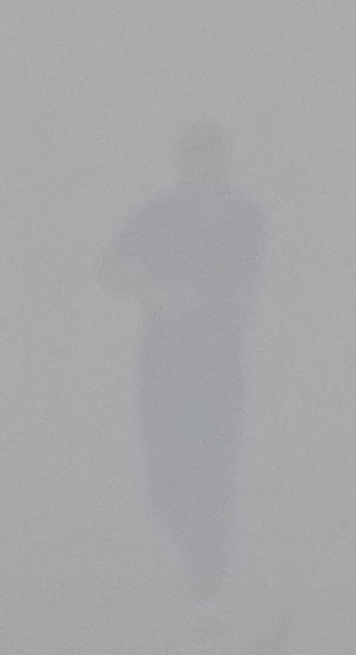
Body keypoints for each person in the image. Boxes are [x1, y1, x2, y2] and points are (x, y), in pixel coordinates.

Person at [97, 125, 270, 610]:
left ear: (224, 165)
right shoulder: (155, 213)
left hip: (219, 360)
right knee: (163, 473)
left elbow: (250, 282)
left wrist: (214, 302)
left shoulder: (246, 216)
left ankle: (209, 574)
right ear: (180, 163)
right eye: (193, 161)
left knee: (216, 465)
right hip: (162, 361)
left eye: (211, 161)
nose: (202, 171)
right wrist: (153, 292)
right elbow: (107, 267)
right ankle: (187, 541)